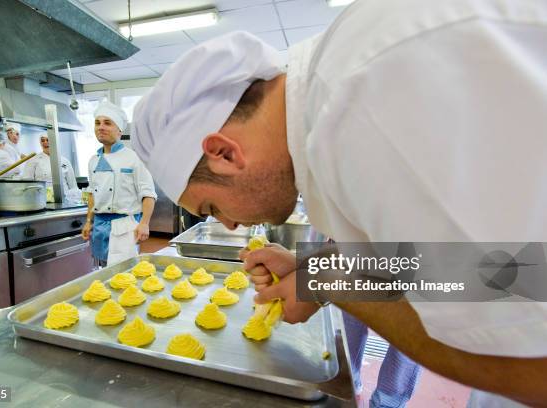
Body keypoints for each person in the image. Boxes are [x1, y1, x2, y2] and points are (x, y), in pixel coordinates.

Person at [130, 1, 547, 406]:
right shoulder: (336, 92)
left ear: (224, 153)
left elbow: (531, 363)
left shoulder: (364, 103)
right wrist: (317, 266)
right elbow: (455, 267)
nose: (231, 225)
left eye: (211, 208)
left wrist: (329, 281)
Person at [81, 100, 157, 266]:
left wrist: (144, 223)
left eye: (107, 123)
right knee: (101, 271)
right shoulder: (93, 161)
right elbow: (92, 194)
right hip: (100, 226)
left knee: (124, 273)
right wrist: (88, 221)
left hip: (124, 226)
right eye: (97, 123)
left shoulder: (134, 158)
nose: (101, 127)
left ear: (119, 130)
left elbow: (149, 194)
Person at [22, 134, 79, 198]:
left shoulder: (64, 161)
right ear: (40, 143)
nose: (45, 142)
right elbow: (27, 183)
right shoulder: (33, 160)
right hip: (42, 199)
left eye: (48, 140)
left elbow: (73, 186)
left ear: (55, 142)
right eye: (43, 140)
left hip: (64, 199)